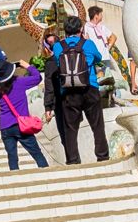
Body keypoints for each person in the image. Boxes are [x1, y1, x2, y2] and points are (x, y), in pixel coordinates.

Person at [44, 15, 109, 165]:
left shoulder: (58, 46)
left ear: (65, 30)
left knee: (70, 128)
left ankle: (73, 160)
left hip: (68, 91)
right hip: (89, 88)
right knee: (97, 125)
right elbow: (98, 58)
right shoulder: (88, 44)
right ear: (80, 29)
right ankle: (102, 156)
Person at [0, 57, 50, 172]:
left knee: (12, 157)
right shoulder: (19, 82)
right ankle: (46, 174)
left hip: (5, 127)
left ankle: (15, 178)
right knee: (36, 153)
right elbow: (37, 78)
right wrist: (27, 65)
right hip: (20, 125)